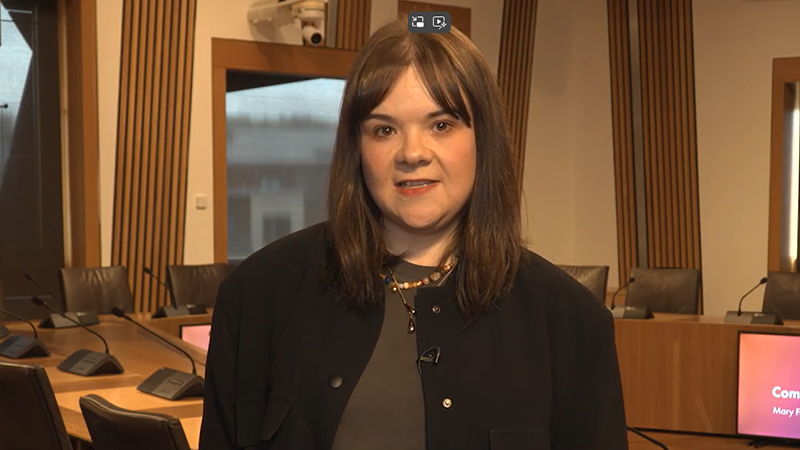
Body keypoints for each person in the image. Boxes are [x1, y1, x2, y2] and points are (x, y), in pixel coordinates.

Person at [199, 20, 628, 450]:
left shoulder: (574, 325)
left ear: (484, 139)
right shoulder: (257, 295)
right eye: (384, 130)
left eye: (440, 124)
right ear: (357, 149)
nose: (412, 153)